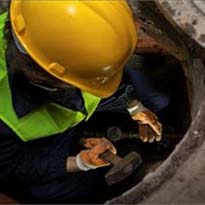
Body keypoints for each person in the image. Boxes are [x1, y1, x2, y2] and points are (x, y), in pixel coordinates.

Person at [0, 0, 165, 203]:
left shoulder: (42, 17)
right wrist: (79, 162)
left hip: (68, 103)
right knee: (73, 191)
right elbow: (13, 165)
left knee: (158, 99)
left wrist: (134, 106)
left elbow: (102, 77)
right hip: (32, 139)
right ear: (48, 76)